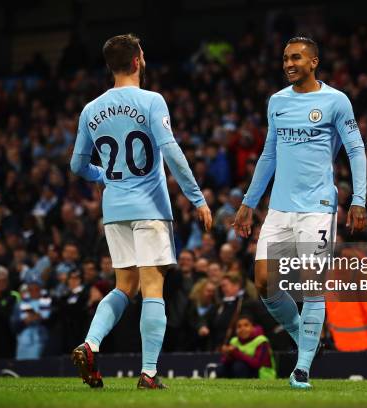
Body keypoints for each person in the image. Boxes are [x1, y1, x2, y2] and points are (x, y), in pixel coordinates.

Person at [69, 33, 212, 389]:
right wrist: (197, 198)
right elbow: (172, 153)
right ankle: (148, 373)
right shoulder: (151, 100)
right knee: (152, 287)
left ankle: (91, 343)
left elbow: (76, 165)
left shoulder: (91, 109)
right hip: (149, 208)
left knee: (124, 285)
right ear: (137, 61)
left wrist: (103, 175)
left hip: (114, 209)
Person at [233, 37, 367, 388]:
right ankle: (306, 338)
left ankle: (302, 368)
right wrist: (249, 203)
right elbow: (268, 155)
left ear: (314, 62)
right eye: (285, 58)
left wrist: (359, 199)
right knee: (263, 282)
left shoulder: (336, 101)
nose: (288, 63)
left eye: (296, 58)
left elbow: (356, 150)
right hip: (279, 208)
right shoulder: (277, 101)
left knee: (312, 286)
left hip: (318, 208)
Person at [218, 315, 276, 379]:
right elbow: (225, 361)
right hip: (243, 371)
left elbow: (257, 364)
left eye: (246, 325)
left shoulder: (261, 340)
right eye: (239, 326)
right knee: (221, 368)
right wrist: (227, 354)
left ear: (252, 327)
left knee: (239, 366)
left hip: (262, 374)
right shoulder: (234, 341)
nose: (242, 329)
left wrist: (235, 352)